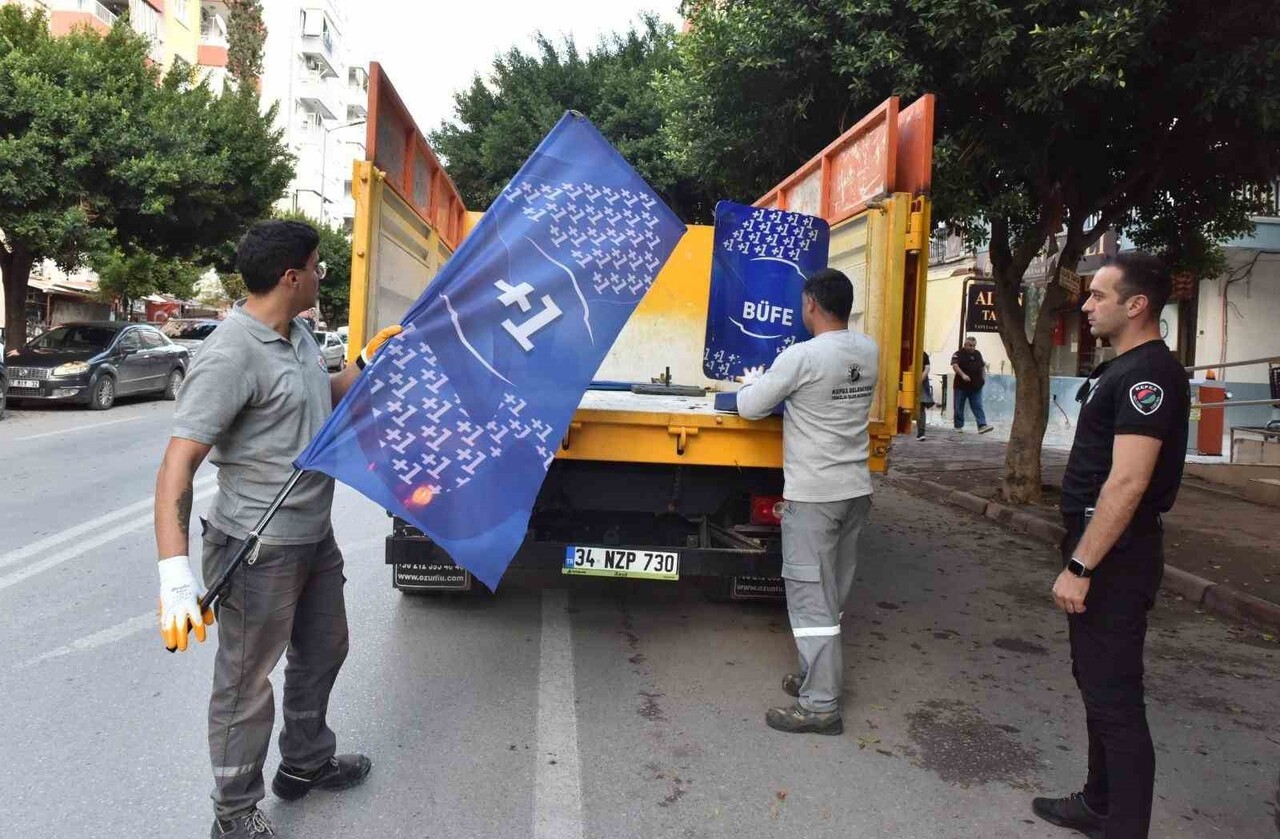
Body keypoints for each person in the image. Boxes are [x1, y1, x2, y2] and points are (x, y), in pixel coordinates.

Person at [152, 220, 401, 839]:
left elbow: (321, 401)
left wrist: (364, 366)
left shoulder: (300, 336)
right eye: (317, 267)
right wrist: (174, 575)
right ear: (291, 277)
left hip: (313, 534)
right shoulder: (230, 353)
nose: (321, 275)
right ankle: (233, 811)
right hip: (257, 546)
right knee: (246, 681)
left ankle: (305, 761)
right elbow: (178, 464)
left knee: (324, 648)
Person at [1033, 252, 1190, 839]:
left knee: (1115, 696)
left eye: (1099, 295)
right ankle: (1098, 802)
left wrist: (1081, 565)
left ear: (1137, 304)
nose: (1087, 305)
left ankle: (1123, 824)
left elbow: (1127, 482)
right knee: (1095, 683)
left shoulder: (1150, 376)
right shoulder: (1121, 368)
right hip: (1100, 546)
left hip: (1117, 555)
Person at [736, 268, 879, 735]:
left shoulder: (802, 357)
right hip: (855, 490)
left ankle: (820, 705)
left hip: (815, 497)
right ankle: (814, 677)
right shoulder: (868, 350)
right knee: (831, 594)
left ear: (811, 304)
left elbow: (751, 406)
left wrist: (749, 383)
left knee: (810, 600)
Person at [951, 336, 993, 433]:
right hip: (961, 386)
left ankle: (982, 425)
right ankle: (958, 426)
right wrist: (963, 375)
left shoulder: (977, 354)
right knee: (958, 406)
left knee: (977, 406)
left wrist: (983, 379)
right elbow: (955, 366)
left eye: (974, 345)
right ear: (965, 345)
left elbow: (982, 366)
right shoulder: (958, 354)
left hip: (976, 386)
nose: (972, 347)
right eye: (970, 345)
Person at [916, 351, 933, 440]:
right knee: (920, 408)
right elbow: (927, 368)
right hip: (919, 381)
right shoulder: (922, 353)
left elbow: (927, 368)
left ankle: (921, 432)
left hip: (920, 382)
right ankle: (921, 433)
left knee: (921, 407)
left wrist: (920, 379)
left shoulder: (923, 354)